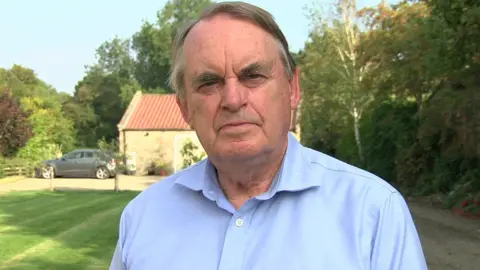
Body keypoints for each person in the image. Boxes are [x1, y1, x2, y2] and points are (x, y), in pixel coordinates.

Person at [109, 2, 428, 269]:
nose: (233, 100)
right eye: (209, 83)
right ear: (184, 107)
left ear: (292, 88)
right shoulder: (143, 217)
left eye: (253, 76)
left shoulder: (373, 212)